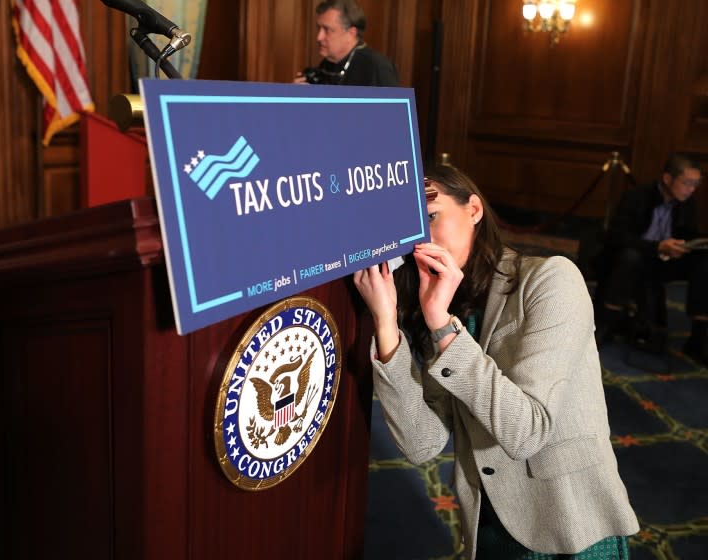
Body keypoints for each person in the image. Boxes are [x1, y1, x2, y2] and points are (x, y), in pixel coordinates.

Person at [353, 165, 639, 559]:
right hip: (488, 523)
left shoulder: (551, 280)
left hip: (569, 519)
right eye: (410, 226)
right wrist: (387, 326)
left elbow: (526, 432)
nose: (421, 237)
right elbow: (422, 443)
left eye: (431, 216)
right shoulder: (437, 303)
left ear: (473, 209)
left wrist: (441, 323)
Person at [596, 153, 707, 364]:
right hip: (636, 255)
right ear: (668, 179)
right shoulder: (637, 196)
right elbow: (617, 236)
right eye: (687, 183)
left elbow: (688, 233)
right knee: (631, 257)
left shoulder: (687, 203)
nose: (691, 189)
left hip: (665, 260)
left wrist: (686, 245)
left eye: (695, 184)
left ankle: (700, 337)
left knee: (705, 263)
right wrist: (657, 246)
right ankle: (606, 323)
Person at [293, 0, 399, 87]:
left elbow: (392, 112)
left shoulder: (377, 66)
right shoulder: (323, 67)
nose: (319, 37)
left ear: (351, 33)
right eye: (318, 28)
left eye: (327, 29)